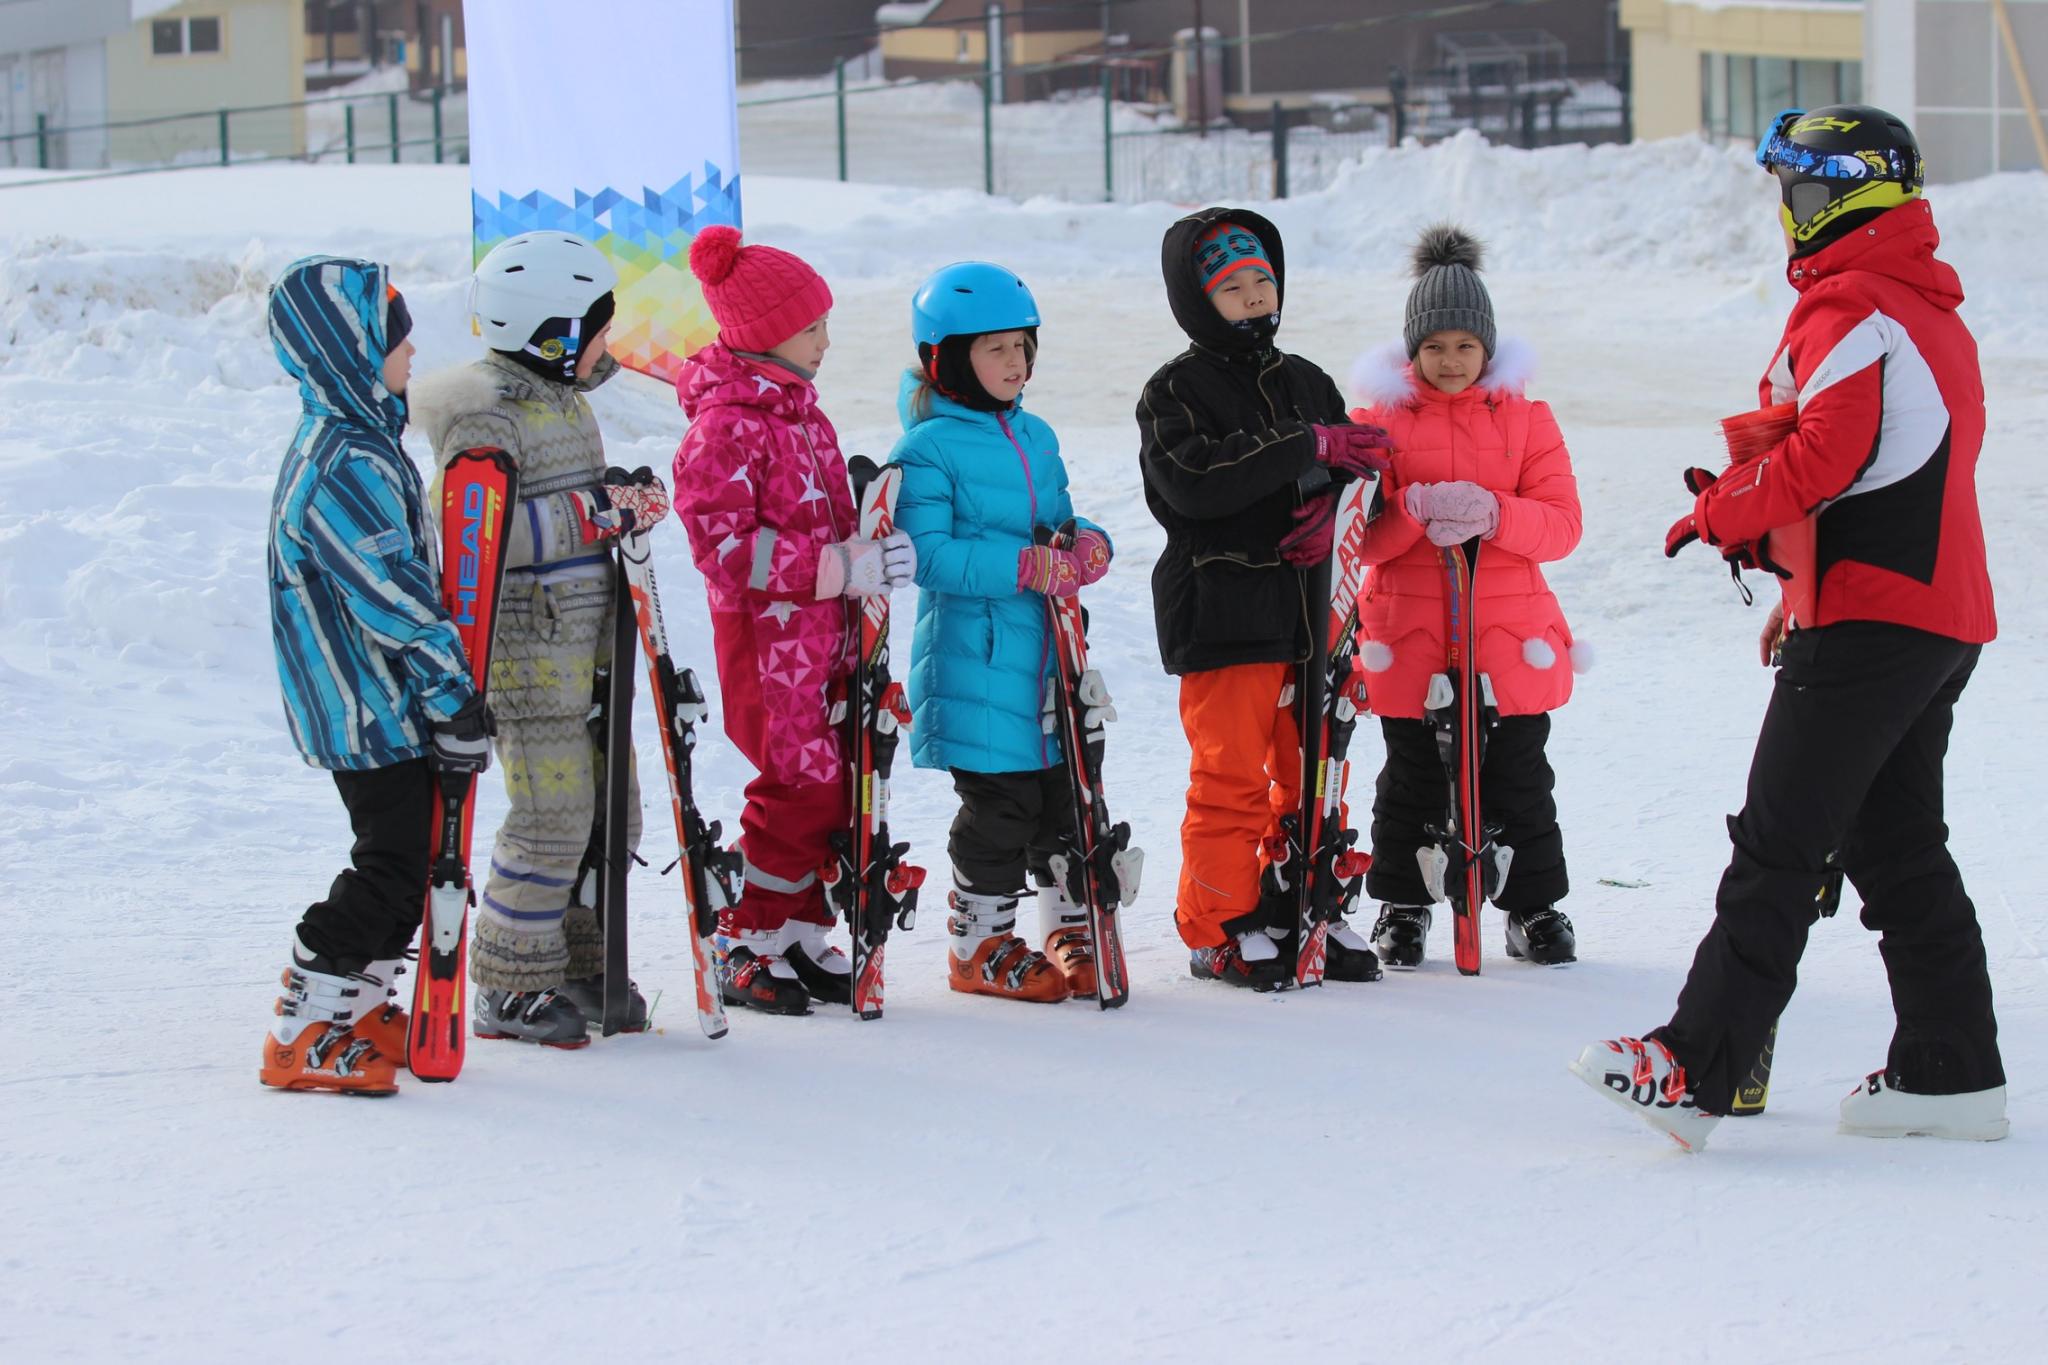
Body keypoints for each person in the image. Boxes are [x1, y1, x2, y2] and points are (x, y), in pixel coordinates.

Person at [1572, 105, 2007, 1152]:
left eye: (1799, 192)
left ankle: (1694, 1066)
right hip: (1925, 614)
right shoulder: (1918, 304)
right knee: (1895, 845)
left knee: (1778, 846)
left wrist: (1715, 511)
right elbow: (1895, 468)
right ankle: (1945, 1074)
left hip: (1871, 620)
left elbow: (1827, 457)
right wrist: (1792, 591)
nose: (1785, 213)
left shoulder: (1854, 303)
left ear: (1843, 197)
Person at [408, 231, 669, 1047]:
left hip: (587, 655)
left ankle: (580, 959)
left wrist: (620, 500)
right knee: (553, 817)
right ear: (547, 329)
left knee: (610, 819)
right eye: (595, 327)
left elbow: (579, 505)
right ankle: (511, 981)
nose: (605, 344)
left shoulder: (562, 398)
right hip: (525, 659)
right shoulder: (487, 412)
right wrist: (590, 515)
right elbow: (471, 533)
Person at [1136, 207, 1391, 991]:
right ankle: (1218, 924)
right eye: (1232, 286)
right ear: (1195, 298)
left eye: (1262, 281)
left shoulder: (1305, 378)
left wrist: (1338, 500)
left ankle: (1302, 899)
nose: (1252, 296)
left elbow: (1360, 472)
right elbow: (1194, 484)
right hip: (1224, 613)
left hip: (1312, 611)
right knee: (1232, 776)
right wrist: (1303, 452)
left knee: (1311, 766)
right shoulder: (1174, 390)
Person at [258, 255, 494, 1095]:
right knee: (392, 866)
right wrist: (450, 694)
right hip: (366, 707)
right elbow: (392, 599)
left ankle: (355, 1008)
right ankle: (301, 1027)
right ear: (350, 349)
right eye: (393, 333)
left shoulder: (359, 437)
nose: (410, 344)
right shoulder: (345, 465)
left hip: (381, 702)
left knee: (414, 857)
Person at [672, 225, 912, 1015]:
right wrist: (836, 568)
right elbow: (722, 545)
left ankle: (799, 925)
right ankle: (745, 931)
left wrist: (870, 552)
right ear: (765, 330)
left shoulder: (805, 417)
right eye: (811, 326)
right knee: (797, 786)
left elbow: (833, 522)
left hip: (824, 647)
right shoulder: (725, 426)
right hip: (768, 654)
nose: (825, 340)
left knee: (837, 780)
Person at [1346, 225, 1586, 969]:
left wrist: (1495, 512)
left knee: (1518, 775)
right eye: (1434, 347)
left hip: (1507, 633)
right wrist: (1408, 512)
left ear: (1487, 347)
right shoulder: (1376, 424)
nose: (1450, 362)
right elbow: (1356, 538)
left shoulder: (1526, 420)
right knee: (1412, 776)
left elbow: (1562, 525)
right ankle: (1404, 902)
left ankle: (1534, 905)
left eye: (1464, 346)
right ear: (1411, 351)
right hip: (1409, 631)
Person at [892, 261, 1111, 1003]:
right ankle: (977, 942)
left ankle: (1066, 922)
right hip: (976, 662)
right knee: (1001, 809)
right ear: (947, 360)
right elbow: (927, 555)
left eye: (1022, 347)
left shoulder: (1036, 434)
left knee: (1062, 795)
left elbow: (1059, 520)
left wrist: (1086, 545)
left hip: (1048, 657)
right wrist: (1024, 565)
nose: (1015, 364)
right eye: (995, 350)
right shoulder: (927, 449)